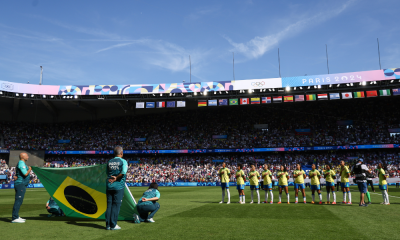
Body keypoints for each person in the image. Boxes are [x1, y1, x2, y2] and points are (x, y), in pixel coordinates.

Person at [105, 146, 128, 230]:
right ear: (121, 153)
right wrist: (116, 178)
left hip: (109, 185)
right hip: (118, 186)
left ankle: (108, 225)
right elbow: (123, 172)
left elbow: (107, 173)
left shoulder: (109, 161)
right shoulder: (123, 161)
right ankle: (113, 225)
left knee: (109, 205)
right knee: (116, 205)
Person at [12, 152, 31, 223]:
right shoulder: (21, 163)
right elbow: (25, 174)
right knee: (18, 200)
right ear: (23, 157)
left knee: (20, 200)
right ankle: (14, 218)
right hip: (20, 184)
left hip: (21, 183)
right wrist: (30, 169)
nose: (28, 157)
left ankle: (16, 216)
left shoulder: (22, 163)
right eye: (27, 156)